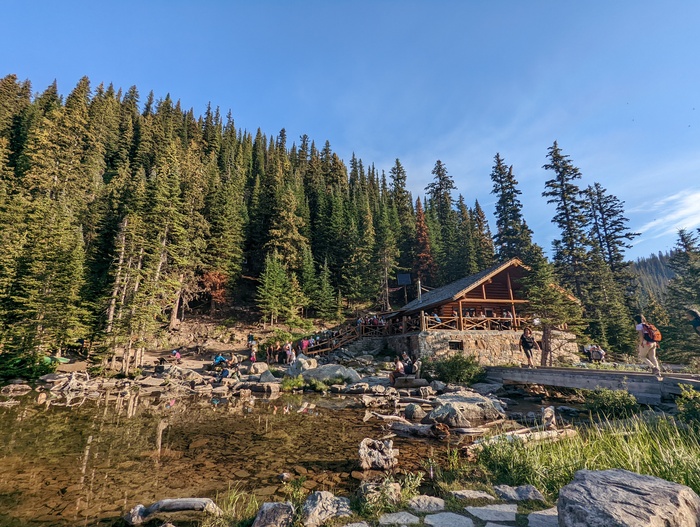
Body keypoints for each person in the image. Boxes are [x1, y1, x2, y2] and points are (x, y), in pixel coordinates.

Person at [634, 314, 662, 379]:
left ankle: (653, 368)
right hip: (654, 343)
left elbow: (641, 335)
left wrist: (641, 343)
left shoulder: (639, 326)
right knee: (652, 357)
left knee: (642, 356)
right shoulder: (648, 325)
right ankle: (658, 371)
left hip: (646, 343)